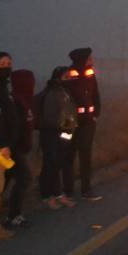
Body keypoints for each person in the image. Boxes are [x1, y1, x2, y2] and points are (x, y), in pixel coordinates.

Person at [37, 66, 78, 210]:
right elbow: (50, 118)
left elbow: (69, 112)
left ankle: (58, 194)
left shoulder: (65, 92)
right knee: (50, 164)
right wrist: (65, 125)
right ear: (57, 78)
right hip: (51, 134)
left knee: (59, 163)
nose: (69, 79)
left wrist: (70, 128)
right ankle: (46, 196)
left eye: (70, 77)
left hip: (65, 132)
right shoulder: (52, 93)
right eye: (66, 77)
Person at [66, 47, 102, 201]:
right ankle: (67, 190)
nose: (92, 61)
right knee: (68, 155)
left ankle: (86, 190)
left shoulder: (90, 74)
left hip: (88, 122)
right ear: (81, 59)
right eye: (89, 58)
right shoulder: (68, 75)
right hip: (69, 124)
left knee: (85, 155)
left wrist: (96, 114)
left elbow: (96, 94)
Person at [0, 51, 20, 239]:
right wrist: (3, 144)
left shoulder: (1, 84)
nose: (7, 66)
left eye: (9, 62)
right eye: (2, 63)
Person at [4, 68, 36, 228]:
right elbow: (14, 127)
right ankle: (13, 215)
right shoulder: (16, 101)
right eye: (31, 81)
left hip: (17, 150)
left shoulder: (25, 100)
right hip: (12, 151)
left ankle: (4, 213)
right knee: (24, 178)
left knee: (5, 179)